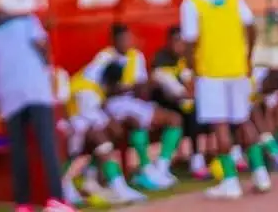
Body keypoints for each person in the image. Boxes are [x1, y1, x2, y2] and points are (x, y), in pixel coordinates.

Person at [179, 0, 271, 199]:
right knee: (243, 121)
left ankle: (230, 181)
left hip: (210, 72)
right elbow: (251, 27)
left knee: (220, 125)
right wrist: (247, 57)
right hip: (237, 69)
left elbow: (190, 42)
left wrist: (191, 71)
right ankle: (261, 174)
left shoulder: (191, 4)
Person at [0, 10, 77, 212]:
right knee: (48, 146)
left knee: (19, 152)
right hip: (36, 91)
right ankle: (57, 200)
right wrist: (46, 66)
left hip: (9, 97)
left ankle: (23, 204)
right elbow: (43, 47)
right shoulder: (28, 22)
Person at [87, 23, 183, 191]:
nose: (127, 42)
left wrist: (147, 86)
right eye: (123, 39)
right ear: (114, 41)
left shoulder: (136, 56)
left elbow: (140, 86)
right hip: (113, 104)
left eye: (128, 39)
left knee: (174, 119)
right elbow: (94, 87)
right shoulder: (104, 58)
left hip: (133, 102)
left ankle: (161, 168)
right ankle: (145, 169)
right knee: (135, 121)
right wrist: (118, 89)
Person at [59, 61, 147, 206]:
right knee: (101, 137)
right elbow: (87, 117)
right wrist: (110, 124)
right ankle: (117, 187)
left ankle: (91, 181)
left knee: (103, 135)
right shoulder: (86, 89)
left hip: (76, 127)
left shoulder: (95, 86)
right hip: (66, 128)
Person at [151, 26, 209, 179]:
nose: (180, 45)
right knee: (186, 113)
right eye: (177, 41)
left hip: (183, 103)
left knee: (196, 111)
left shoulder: (185, 60)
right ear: (169, 42)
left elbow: (191, 84)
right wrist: (188, 93)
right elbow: (173, 90)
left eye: (182, 42)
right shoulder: (161, 60)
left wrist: (190, 92)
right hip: (164, 103)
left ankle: (197, 159)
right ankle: (164, 166)